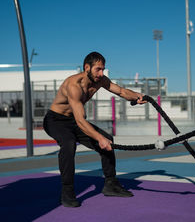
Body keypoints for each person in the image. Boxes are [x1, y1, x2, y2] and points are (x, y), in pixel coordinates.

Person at [43, 52, 146, 208]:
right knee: (69, 144)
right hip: (55, 120)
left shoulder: (100, 80)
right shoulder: (74, 85)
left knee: (107, 138)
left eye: (103, 69)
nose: (101, 73)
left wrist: (136, 96)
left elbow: (120, 91)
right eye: (98, 69)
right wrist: (99, 138)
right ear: (87, 67)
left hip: (73, 121)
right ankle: (67, 191)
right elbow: (80, 120)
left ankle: (111, 184)